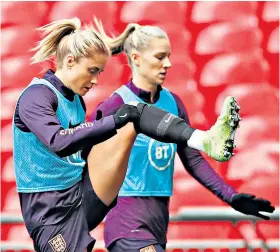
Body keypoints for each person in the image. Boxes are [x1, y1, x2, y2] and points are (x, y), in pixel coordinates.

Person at [13, 17, 241, 252]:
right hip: (50, 211)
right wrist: (114, 121)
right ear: (70, 61)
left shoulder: (76, 101)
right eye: (92, 71)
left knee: (135, 112)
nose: (95, 81)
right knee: (127, 114)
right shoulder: (37, 96)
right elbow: (58, 141)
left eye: (99, 73)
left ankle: (206, 139)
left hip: (82, 194)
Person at [89, 22, 276, 252]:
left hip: (158, 222)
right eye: (159, 57)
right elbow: (81, 149)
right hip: (126, 220)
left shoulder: (174, 104)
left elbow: (194, 161)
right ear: (136, 58)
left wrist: (233, 198)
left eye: (168, 56)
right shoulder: (116, 104)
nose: (167, 64)